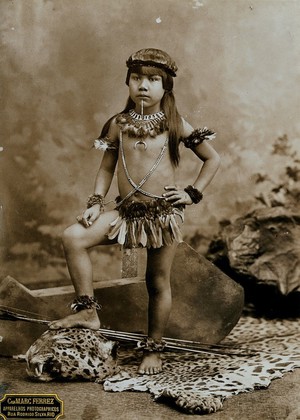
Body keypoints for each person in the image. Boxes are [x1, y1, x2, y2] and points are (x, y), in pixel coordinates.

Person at [49, 48, 221, 375]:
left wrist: (191, 192)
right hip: (124, 215)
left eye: (153, 79)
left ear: (166, 87)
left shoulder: (175, 124)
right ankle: (87, 311)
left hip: (160, 218)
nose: (144, 85)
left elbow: (213, 158)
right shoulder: (118, 124)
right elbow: (106, 168)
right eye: (137, 78)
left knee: (157, 282)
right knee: (73, 237)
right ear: (128, 82)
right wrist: (96, 202)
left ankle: (154, 348)